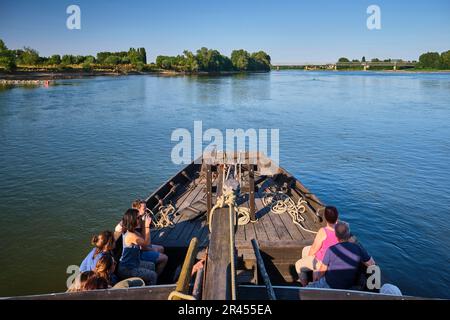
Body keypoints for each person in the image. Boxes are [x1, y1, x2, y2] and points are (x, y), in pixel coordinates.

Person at [307, 221, 376, 289]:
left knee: (307, 289)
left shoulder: (331, 249)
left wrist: (317, 280)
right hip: (347, 286)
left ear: (336, 236)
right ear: (348, 234)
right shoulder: (357, 248)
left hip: (330, 284)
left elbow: (322, 269)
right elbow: (372, 264)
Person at [115, 199, 168, 276]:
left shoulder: (140, 220)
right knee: (164, 258)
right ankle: (154, 278)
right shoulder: (130, 226)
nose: (146, 210)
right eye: (144, 208)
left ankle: (152, 274)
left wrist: (144, 223)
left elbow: (143, 239)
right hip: (138, 253)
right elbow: (118, 228)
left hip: (140, 248)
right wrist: (146, 226)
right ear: (137, 210)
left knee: (161, 249)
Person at [295, 206, 339, 286]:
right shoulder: (342, 230)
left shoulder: (323, 231)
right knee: (305, 249)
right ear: (337, 217)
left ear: (325, 217)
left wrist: (310, 259)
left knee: (298, 265)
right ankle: (312, 275)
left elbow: (314, 249)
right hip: (335, 260)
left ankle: (306, 286)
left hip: (322, 262)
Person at [117, 208, 158, 285]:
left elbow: (142, 238)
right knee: (153, 276)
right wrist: (147, 226)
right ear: (132, 220)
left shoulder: (131, 230)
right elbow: (147, 243)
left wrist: (142, 224)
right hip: (127, 268)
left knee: (152, 266)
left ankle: (146, 282)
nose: (140, 219)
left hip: (134, 262)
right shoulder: (130, 235)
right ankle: (149, 292)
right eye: (138, 218)